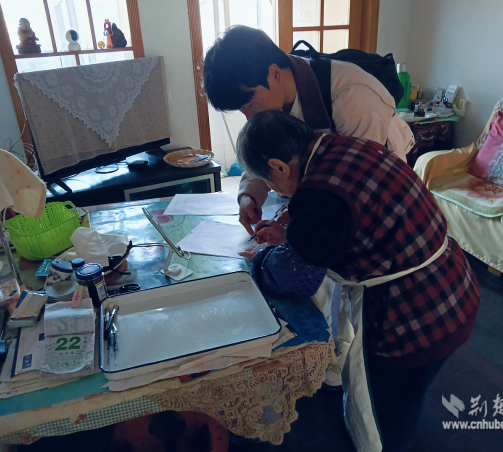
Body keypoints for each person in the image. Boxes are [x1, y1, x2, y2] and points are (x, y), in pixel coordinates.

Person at [236, 110, 480, 452]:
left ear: (278, 166)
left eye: (272, 184)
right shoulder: (343, 147)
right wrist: (294, 227)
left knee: (381, 420)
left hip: (410, 316)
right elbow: (351, 210)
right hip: (453, 286)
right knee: (407, 398)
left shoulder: (319, 195)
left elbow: (297, 277)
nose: (277, 192)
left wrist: (263, 255)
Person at [203, 25, 415, 235]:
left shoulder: (352, 96)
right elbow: (264, 153)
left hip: (379, 208)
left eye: (249, 104)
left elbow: (358, 189)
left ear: (273, 73)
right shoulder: (275, 95)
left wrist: (296, 231)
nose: (249, 117)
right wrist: (248, 195)